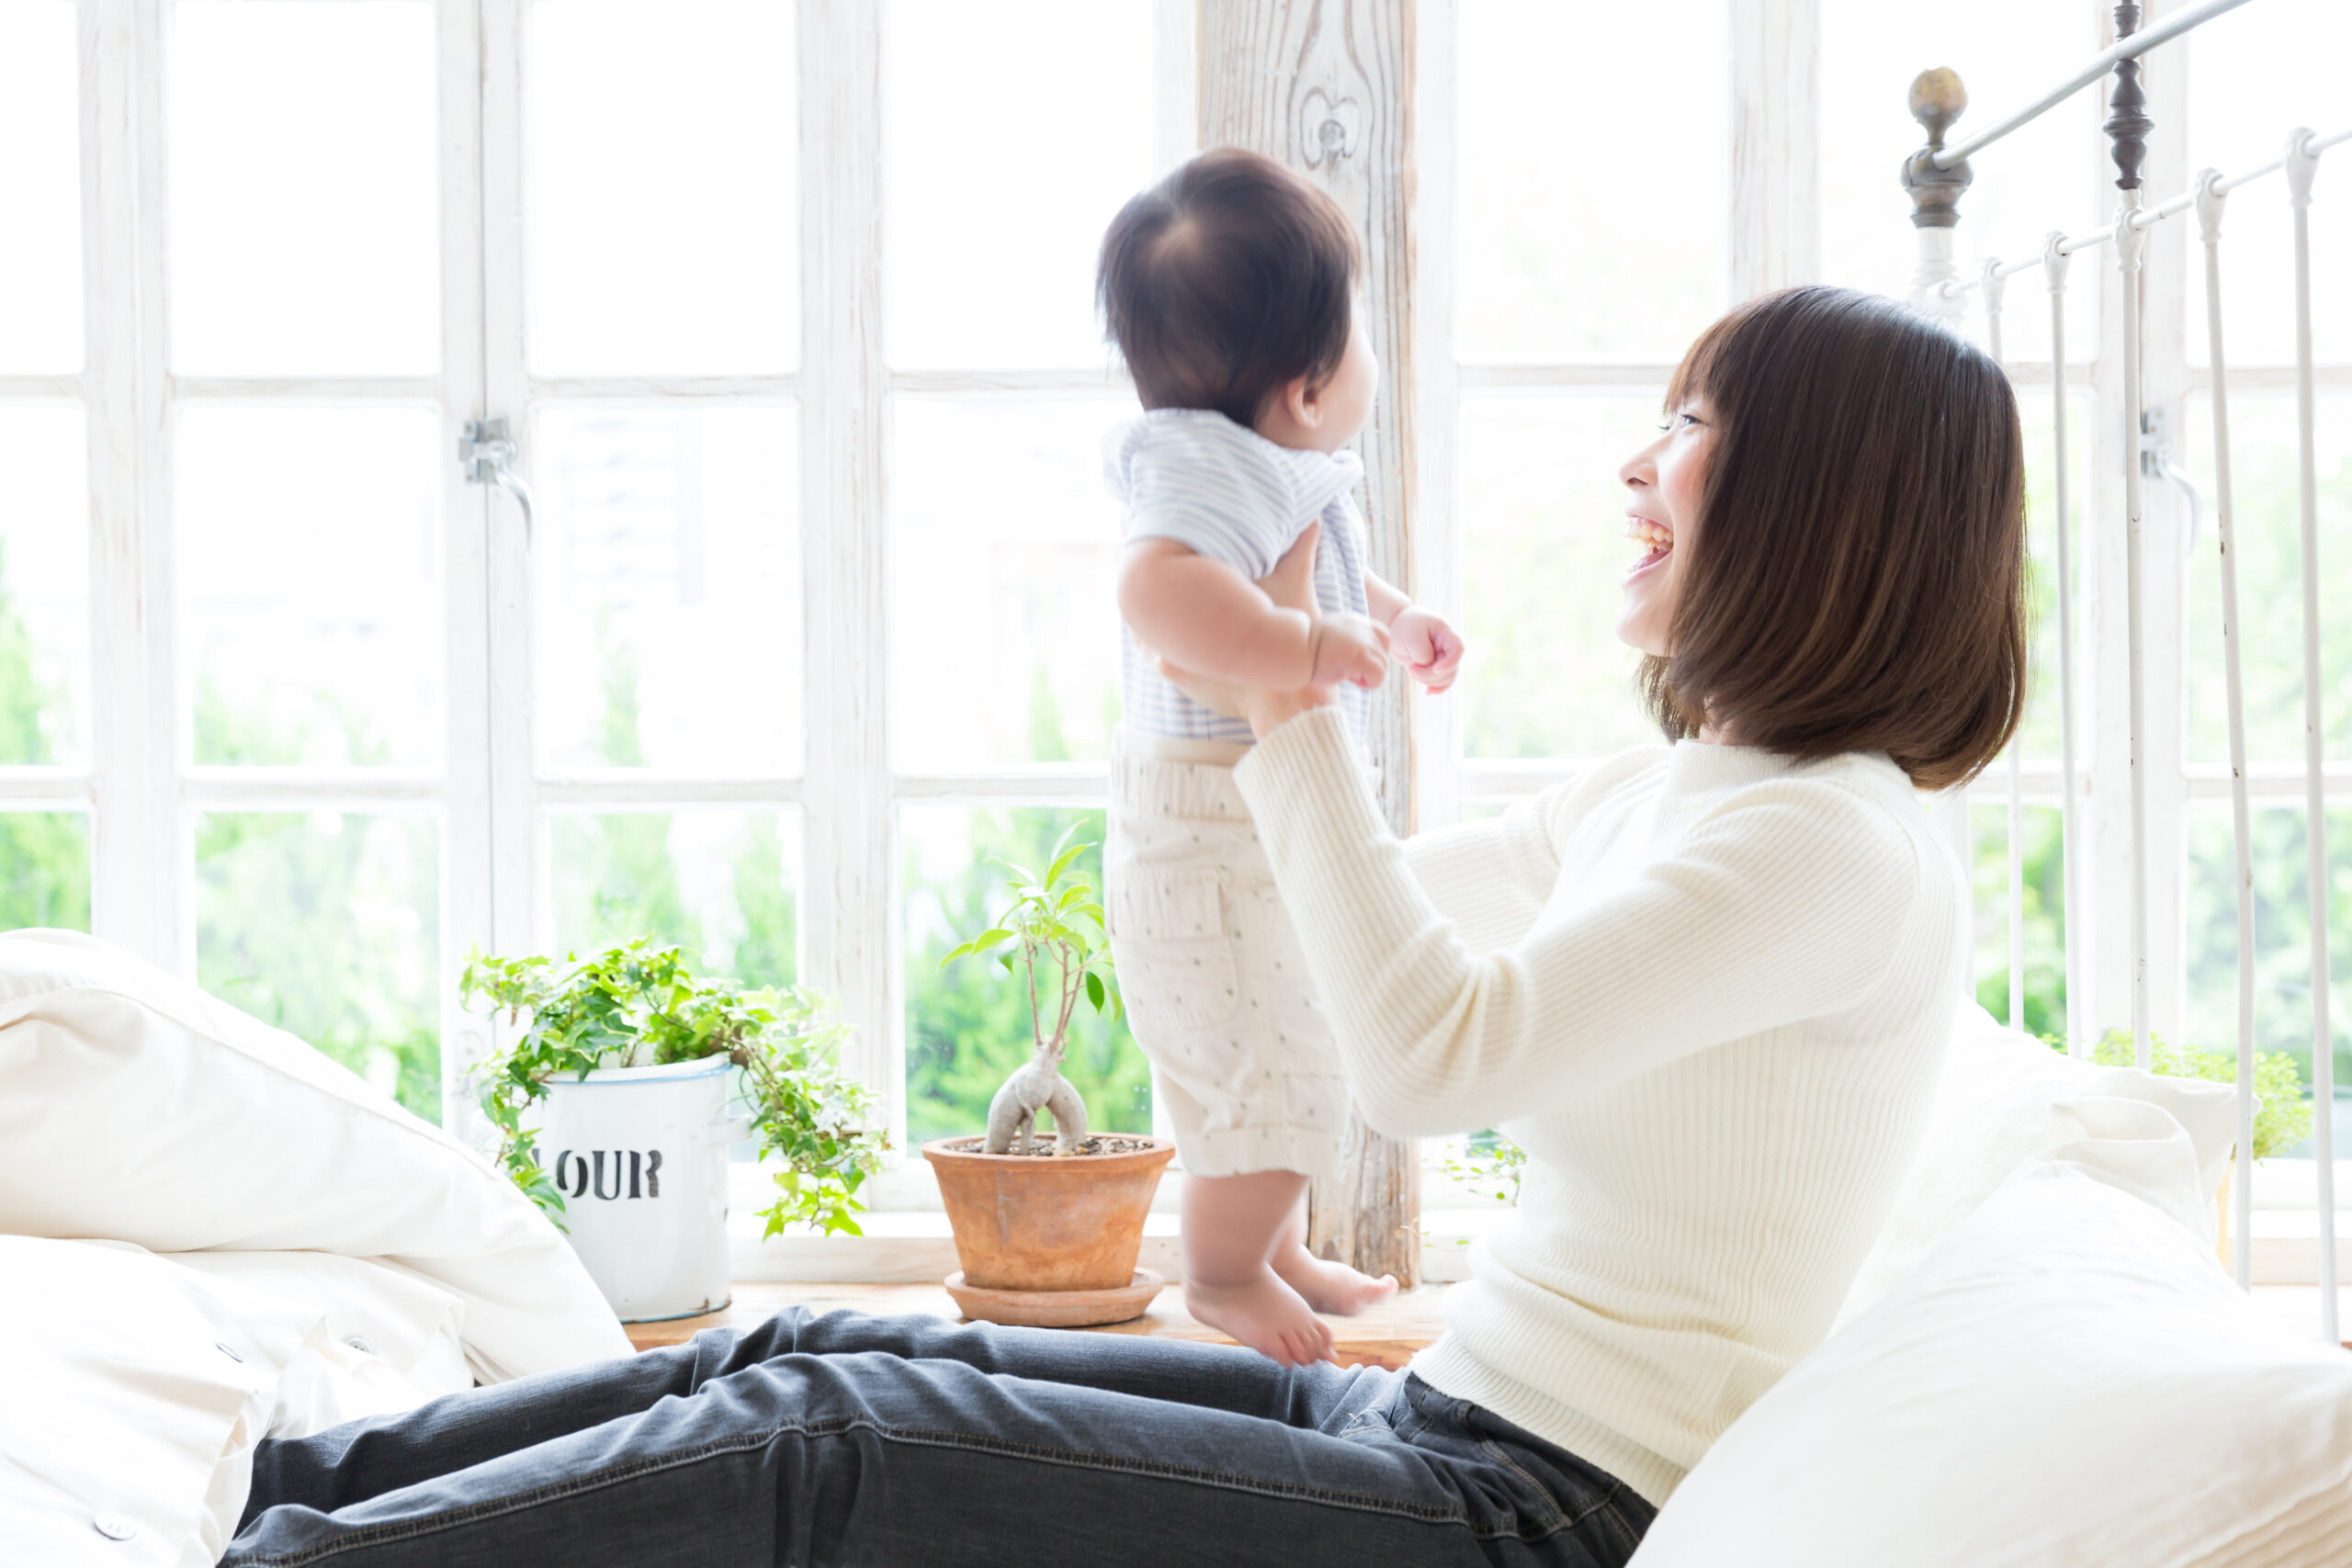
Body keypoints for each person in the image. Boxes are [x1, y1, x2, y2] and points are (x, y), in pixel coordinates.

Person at [222, 284, 2023, 1568]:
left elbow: (1426, 1054)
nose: (1638, 465)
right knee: (811, 1354)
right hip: (1433, 1415)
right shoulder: (1683, 789)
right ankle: (266, 1486)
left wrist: (1286, 707)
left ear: (1819, 503)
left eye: (1691, 427)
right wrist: (1222, 686)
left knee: (828, 1444)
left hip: (1535, 1513)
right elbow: (1346, 926)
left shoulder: (1835, 849)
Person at [1094, 146, 1464, 1365]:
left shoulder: (1268, 460)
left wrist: (1390, 619)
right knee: (1271, 1066)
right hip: (1209, 833)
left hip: (1240, 823)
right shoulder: (1204, 469)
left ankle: (1279, 1249)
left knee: (1293, 1043)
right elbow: (1156, 593)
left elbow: (1321, 566)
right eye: (1358, 328)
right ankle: (1222, 1272)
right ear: (1307, 388)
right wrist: (1299, 643)